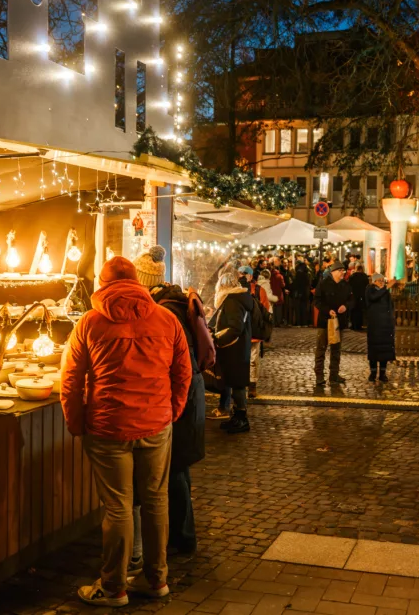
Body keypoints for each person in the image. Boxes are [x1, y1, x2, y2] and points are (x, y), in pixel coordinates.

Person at [61, 257, 191, 607]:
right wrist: (171, 412)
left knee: (117, 508)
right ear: (139, 283)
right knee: (155, 500)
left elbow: (71, 380)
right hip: (156, 423)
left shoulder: (89, 323)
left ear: (102, 285)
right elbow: (183, 373)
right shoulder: (167, 319)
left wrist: (76, 422)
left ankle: (114, 587)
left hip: (108, 427)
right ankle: (156, 579)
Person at [129, 247, 205, 564]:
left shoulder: (166, 313)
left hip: (181, 401)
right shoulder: (172, 303)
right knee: (176, 471)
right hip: (187, 398)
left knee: (174, 472)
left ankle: (180, 539)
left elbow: (176, 365)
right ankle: (181, 536)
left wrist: (171, 409)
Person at [211, 271, 254, 434]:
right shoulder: (237, 299)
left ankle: (241, 419)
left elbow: (235, 327)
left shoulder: (232, 301)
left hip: (234, 348)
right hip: (237, 347)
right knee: (236, 383)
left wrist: (218, 338)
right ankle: (237, 417)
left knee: (237, 384)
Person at [313, 262, 354, 389]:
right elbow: (317, 301)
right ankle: (319, 376)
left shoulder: (345, 285)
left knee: (336, 350)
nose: (343, 272)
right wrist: (327, 310)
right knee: (321, 349)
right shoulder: (324, 284)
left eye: (343, 270)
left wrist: (345, 306)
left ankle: (334, 375)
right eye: (340, 270)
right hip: (325, 321)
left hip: (339, 322)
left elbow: (352, 300)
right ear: (333, 272)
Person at [364, 273, 397, 382]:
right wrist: (386, 287)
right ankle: (373, 372)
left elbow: (390, 305)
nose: (382, 282)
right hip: (375, 325)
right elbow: (373, 298)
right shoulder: (370, 289)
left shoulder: (385, 291)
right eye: (379, 280)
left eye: (383, 280)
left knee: (384, 350)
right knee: (374, 349)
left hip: (385, 325)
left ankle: (382, 373)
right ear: (374, 281)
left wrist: (391, 319)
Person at [348, 264, 370, 331]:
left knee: (354, 311)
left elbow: (349, 285)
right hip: (362, 296)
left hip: (354, 296)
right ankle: (359, 325)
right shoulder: (365, 276)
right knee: (360, 311)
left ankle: (353, 325)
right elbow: (367, 285)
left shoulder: (353, 276)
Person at [292, 257, 311, 326]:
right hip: (305, 294)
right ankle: (304, 323)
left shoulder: (298, 273)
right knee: (304, 308)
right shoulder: (306, 273)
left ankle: (298, 323)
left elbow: (296, 284)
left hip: (299, 294)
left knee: (298, 309)